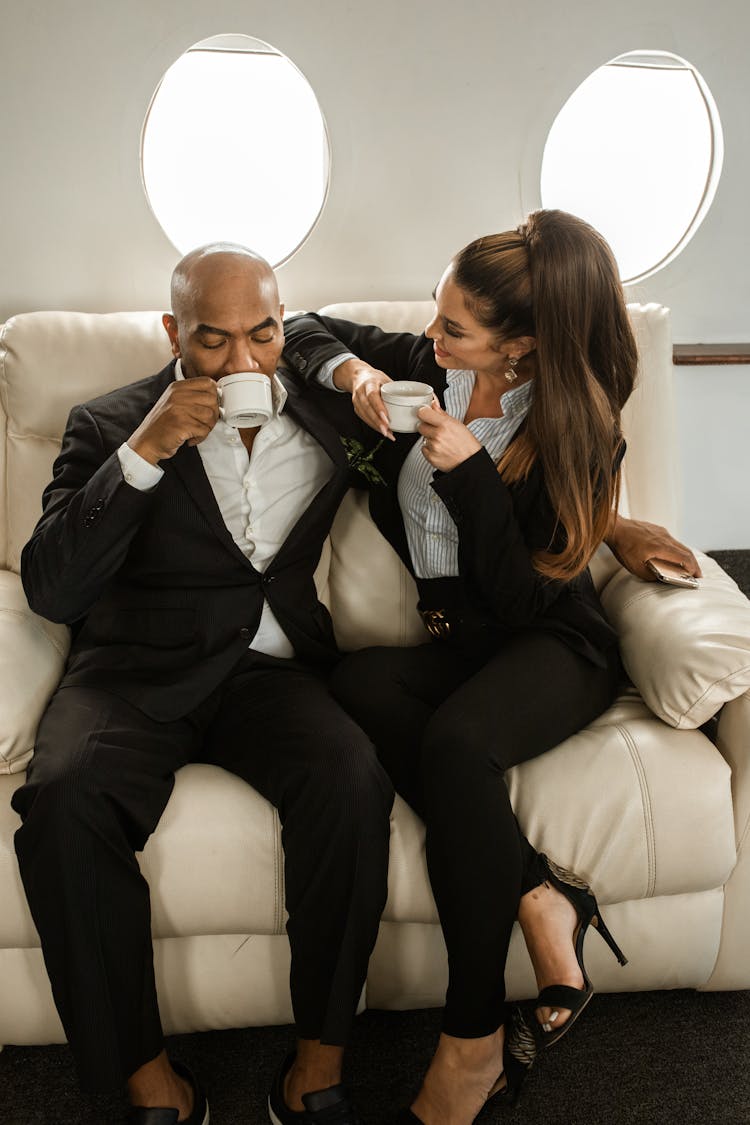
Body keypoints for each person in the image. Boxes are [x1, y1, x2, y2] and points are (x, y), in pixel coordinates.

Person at [281, 209, 702, 1125]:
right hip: (460, 641)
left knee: (457, 746)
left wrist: (472, 474)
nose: (432, 339)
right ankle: (541, 892)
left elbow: (521, 601)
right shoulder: (428, 367)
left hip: (556, 642)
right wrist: (356, 372)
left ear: (519, 346)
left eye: (454, 328)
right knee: (356, 685)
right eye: (434, 320)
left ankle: (470, 1043)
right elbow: (303, 327)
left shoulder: (576, 428)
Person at [12, 244, 395, 1125]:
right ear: (172, 332)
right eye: (215, 341)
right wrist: (147, 450)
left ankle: (317, 1071)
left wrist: (613, 527)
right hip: (135, 673)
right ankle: (154, 1088)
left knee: (352, 778)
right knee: (63, 803)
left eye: (262, 334)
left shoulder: (330, 412)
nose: (245, 361)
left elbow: (439, 394)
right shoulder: (107, 423)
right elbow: (51, 587)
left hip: (272, 673)